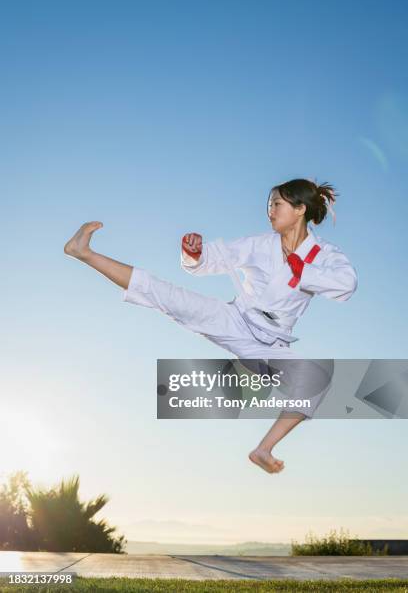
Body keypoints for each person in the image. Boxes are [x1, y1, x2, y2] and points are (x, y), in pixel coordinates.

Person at [64, 178, 357, 474]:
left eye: (276, 205)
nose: (269, 211)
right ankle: (84, 252)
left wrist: (302, 270)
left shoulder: (325, 254)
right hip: (236, 319)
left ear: (299, 209)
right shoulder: (259, 245)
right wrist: (194, 253)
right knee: (168, 296)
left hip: (271, 344)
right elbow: (212, 260)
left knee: (317, 379)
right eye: (269, 205)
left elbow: (347, 284)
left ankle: (263, 449)